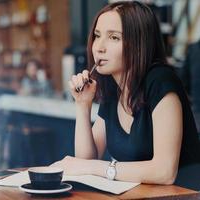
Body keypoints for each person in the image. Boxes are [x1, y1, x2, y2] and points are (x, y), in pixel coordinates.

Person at [51, 1, 200, 190]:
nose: (99, 47)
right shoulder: (114, 89)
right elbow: (85, 161)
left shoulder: (161, 81)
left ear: (139, 44)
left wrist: (94, 167)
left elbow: (165, 172)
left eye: (114, 38)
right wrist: (83, 105)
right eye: (97, 36)